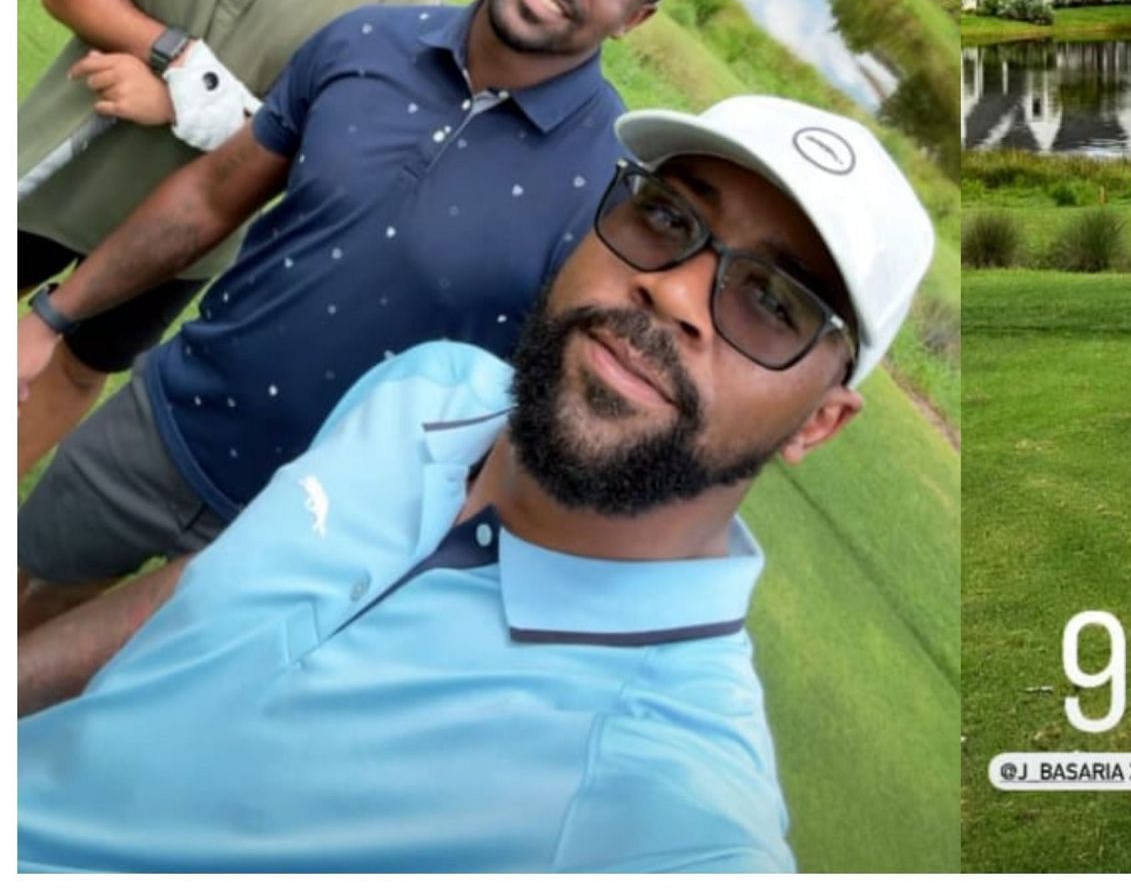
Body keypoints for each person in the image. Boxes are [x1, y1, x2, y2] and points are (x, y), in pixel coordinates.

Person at [18, 95, 936, 873]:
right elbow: (206, 596)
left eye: (774, 304)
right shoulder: (431, 386)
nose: (679, 293)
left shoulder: (668, 802)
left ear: (820, 420)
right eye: (666, 217)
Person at [17, 0, 700, 632]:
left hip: (316, 537)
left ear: (638, 17)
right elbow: (210, 197)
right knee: (27, 597)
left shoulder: (611, 196)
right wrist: (53, 319)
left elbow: (544, 416)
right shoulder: (365, 41)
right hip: (168, 424)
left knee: (103, 711)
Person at [17, 0, 480, 477]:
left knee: (78, 364)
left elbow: (324, 162)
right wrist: (168, 51)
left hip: (183, 244)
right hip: (57, 157)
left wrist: (184, 102)